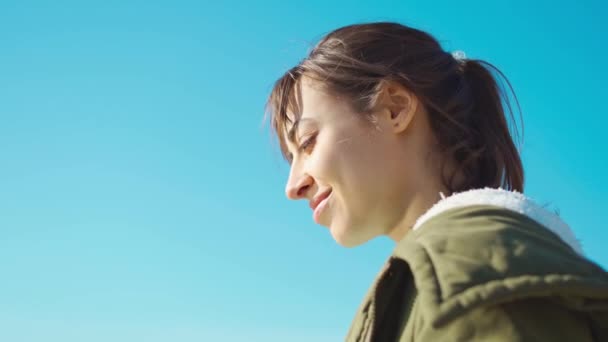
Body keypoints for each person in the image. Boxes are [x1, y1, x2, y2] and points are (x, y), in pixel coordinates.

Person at [264, 22, 608, 341]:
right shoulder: (440, 281)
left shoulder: (470, 276)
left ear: (395, 109)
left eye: (307, 142)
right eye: (291, 157)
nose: (293, 186)